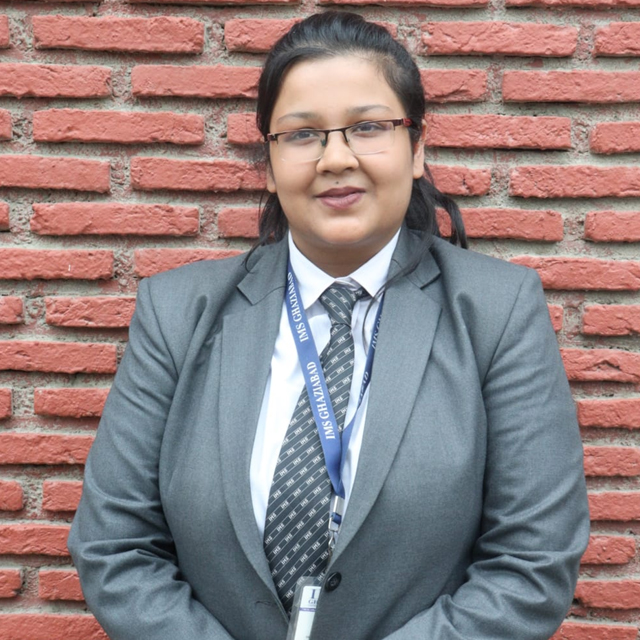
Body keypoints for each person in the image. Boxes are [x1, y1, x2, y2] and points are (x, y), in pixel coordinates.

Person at [68, 11, 590, 640]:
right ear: (269, 161)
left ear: (417, 148)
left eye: (367, 127)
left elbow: (532, 565)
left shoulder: (497, 313)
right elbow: (116, 547)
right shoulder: (177, 313)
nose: (335, 158)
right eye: (302, 134)